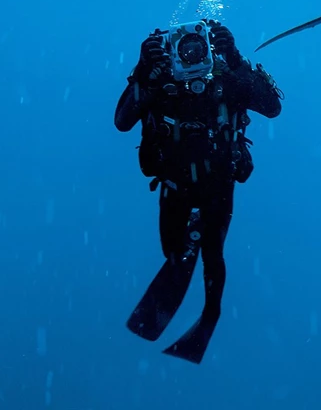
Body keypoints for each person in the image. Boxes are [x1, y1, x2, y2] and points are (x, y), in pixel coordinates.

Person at [114, 19, 282, 364]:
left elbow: (272, 107)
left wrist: (235, 58)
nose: (191, 53)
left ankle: (210, 315)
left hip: (218, 185)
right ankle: (187, 244)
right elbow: (122, 121)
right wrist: (143, 68)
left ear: (209, 45)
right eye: (183, 47)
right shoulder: (161, 78)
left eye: (198, 45)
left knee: (213, 255)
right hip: (174, 186)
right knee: (173, 253)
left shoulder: (226, 78)